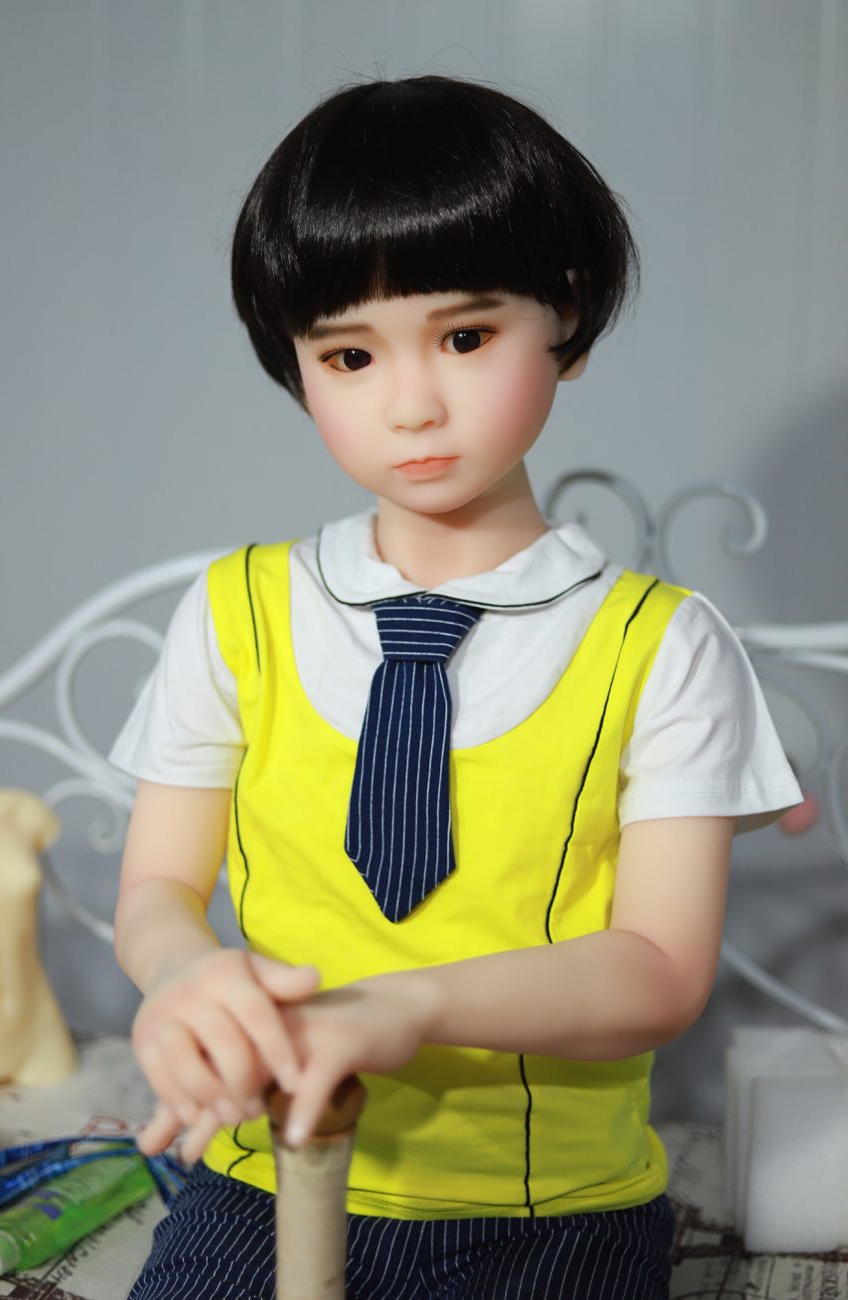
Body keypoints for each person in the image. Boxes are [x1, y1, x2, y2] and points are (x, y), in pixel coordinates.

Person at [111, 74, 803, 1299]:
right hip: (266, 1171)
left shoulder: (659, 645)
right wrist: (181, 974)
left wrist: (406, 1006)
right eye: (348, 354)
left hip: (552, 1209)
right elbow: (158, 888)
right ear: (297, 366)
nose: (412, 404)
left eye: (466, 337)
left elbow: (657, 967)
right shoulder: (234, 614)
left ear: (565, 315)